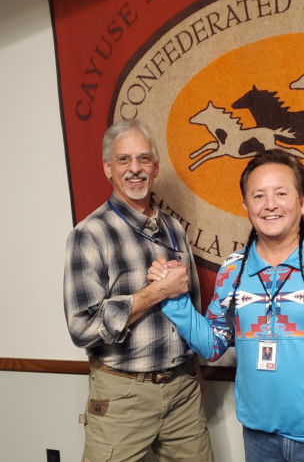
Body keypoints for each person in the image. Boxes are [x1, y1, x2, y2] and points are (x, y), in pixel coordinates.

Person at [148, 149, 304, 462]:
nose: (270, 204)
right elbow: (212, 345)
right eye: (259, 195)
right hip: (259, 440)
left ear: (302, 201)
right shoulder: (233, 269)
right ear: (246, 205)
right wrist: (172, 297)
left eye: (281, 193)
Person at [63, 119, 213, 462]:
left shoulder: (174, 229)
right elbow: (81, 327)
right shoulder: (90, 235)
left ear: (156, 167)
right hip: (122, 395)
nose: (135, 169)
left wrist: (195, 368)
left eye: (144, 159)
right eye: (123, 160)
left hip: (182, 390)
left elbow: (189, 305)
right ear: (108, 168)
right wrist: (157, 291)